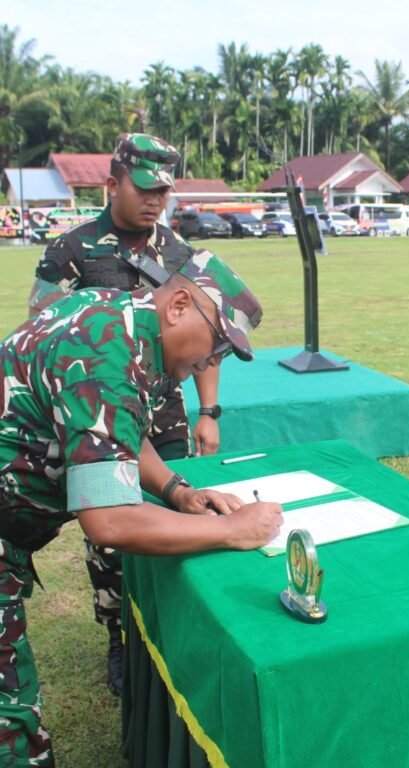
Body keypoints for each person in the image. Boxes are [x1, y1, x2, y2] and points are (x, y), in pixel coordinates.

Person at [0, 248, 281, 766]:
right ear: (177, 305)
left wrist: (177, 490)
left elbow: (117, 432)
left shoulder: (117, 319)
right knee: (10, 728)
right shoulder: (108, 357)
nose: (210, 363)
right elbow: (110, 521)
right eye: (215, 344)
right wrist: (233, 531)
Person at [27, 132, 222, 695]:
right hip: (99, 417)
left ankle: (172, 628)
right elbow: (47, 328)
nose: (156, 200)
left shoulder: (179, 252)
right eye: (144, 188)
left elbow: (207, 337)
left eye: (164, 190)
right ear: (112, 183)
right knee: (111, 534)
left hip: (165, 420)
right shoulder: (71, 251)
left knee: (181, 513)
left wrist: (208, 409)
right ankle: (118, 634)